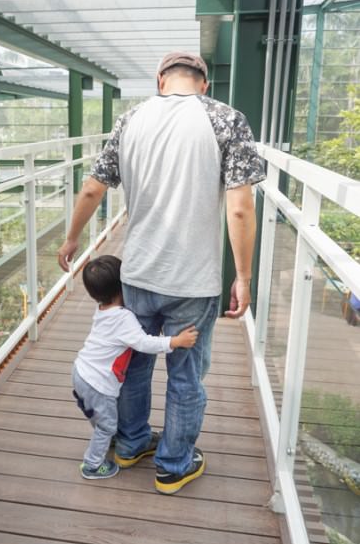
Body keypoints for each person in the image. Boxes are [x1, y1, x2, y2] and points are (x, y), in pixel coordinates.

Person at [58, 51, 265, 494]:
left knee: (135, 368)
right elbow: (241, 207)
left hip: (137, 273)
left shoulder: (131, 119)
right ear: (204, 84)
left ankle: (130, 444)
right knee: (185, 376)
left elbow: (94, 186)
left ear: (160, 80)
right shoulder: (227, 119)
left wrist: (72, 238)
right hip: (194, 281)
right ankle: (173, 465)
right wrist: (243, 276)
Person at [73, 255, 198, 479]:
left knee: (100, 418)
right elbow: (144, 343)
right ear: (124, 286)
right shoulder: (124, 318)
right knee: (106, 426)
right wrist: (175, 342)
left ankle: (109, 438)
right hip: (98, 384)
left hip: (81, 372)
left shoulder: (101, 310)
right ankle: (92, 465)